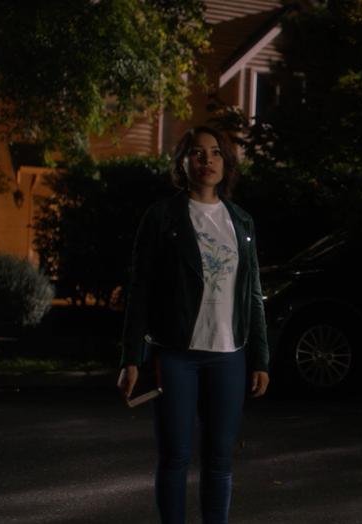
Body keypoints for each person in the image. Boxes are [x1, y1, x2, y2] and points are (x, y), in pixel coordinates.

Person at [116, 125, 270, 524]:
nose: (208, 160)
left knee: (219, 461)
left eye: (216, 152)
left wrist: (260, 359)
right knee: (175, 457)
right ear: (183, 162)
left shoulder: (241, 222)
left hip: (228, 355)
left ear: (226, 163)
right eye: (198, 153)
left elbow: (252, 293)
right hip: (176, 354)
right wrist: (131, 356)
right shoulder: (162, 217)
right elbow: (141, 290)